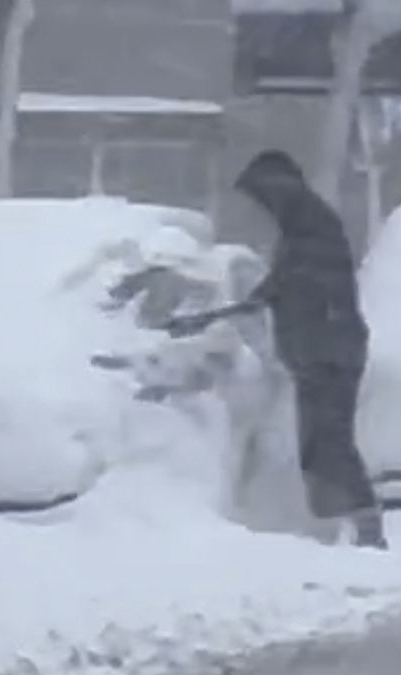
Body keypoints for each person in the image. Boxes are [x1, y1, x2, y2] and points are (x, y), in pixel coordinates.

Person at [156, 150, 386, 549]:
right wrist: (216, 314)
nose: (263, 207)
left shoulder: (314, 228)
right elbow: (276, 288)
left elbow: (299, 286)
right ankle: (342, 531)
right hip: (319, 352)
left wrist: (273, 305)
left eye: (263, 196)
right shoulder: (301, 230)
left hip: (330, 352)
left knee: (330, 443)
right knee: (319, 446)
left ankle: (366, 531)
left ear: (280, 189)